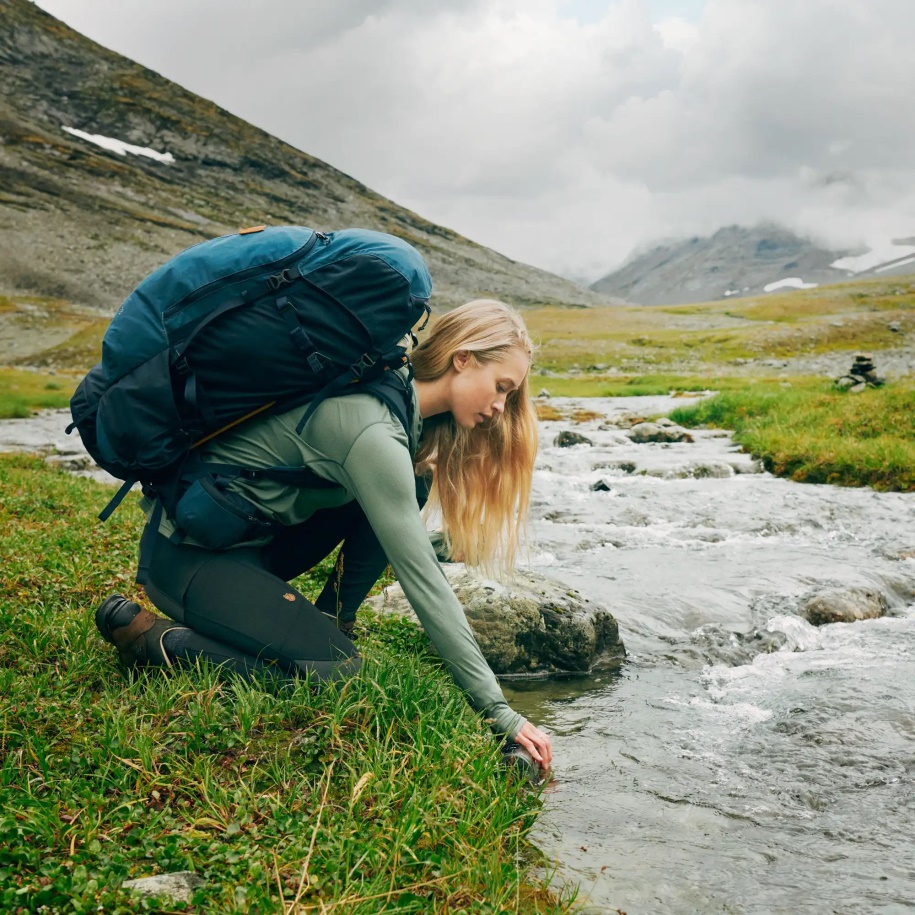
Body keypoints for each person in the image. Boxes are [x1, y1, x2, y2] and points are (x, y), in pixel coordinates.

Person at [94, 298, 553, 770]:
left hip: (247, 543)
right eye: (501, 387)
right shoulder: (373, 430)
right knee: (341, 675)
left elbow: (396, 524)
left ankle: (332, 623)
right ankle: (155, 642)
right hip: (188, 561)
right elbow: (423, 582)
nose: (500, 408)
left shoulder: (393, 395)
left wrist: (432, 543)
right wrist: (498, 710)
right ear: (463, 358)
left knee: (411, 482)